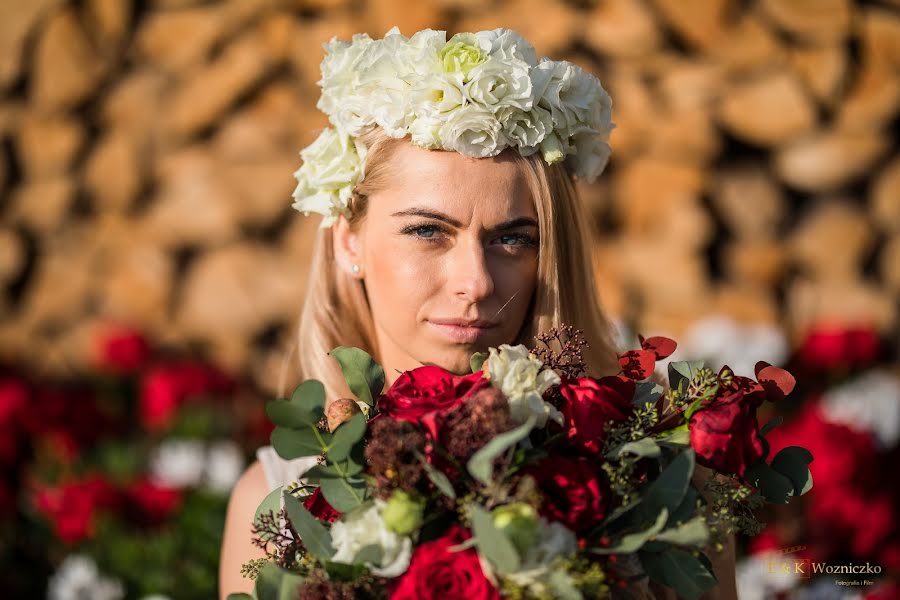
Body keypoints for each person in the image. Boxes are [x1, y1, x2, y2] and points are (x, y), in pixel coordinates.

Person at [218, 27, 737, 599]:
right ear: (349, 243)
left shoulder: (661, 474)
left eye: (513, 239)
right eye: (427, 231)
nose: (477, 282)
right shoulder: (278, 498)